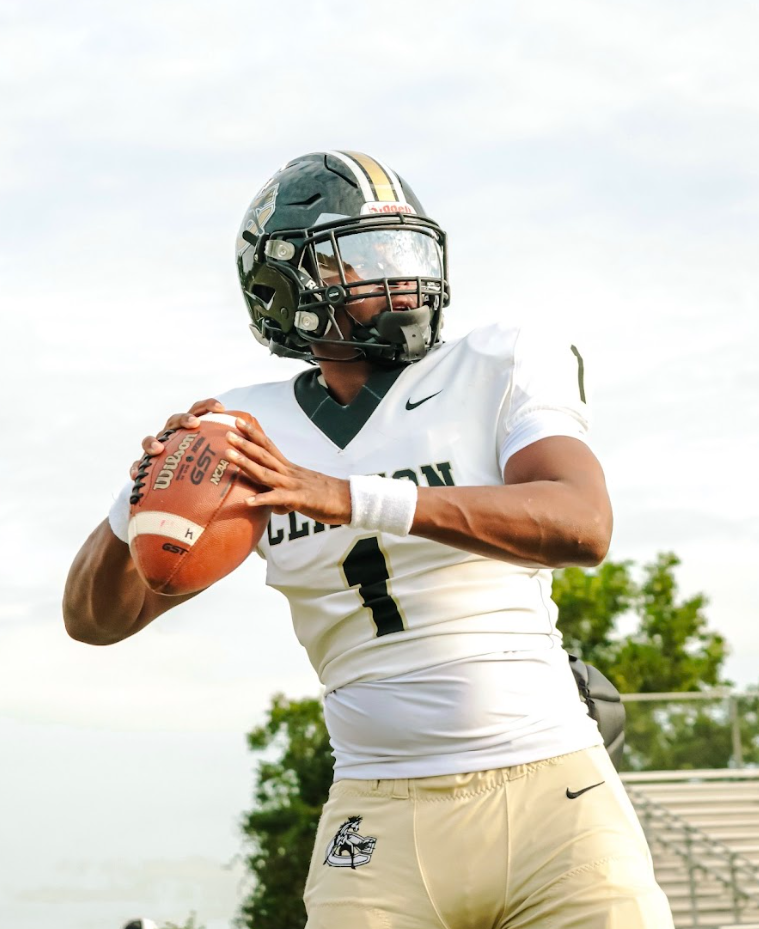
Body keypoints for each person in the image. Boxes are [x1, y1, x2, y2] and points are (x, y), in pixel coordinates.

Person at [64, 151, 673, 928]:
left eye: (406, 250)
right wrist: (143, 508)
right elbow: (92, 619)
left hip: (553, 789)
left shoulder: (495, 361)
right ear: (284, 287)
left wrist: (348, 496)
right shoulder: (240, 430)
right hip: (378, 818)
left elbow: (581, 524)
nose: (400, 277)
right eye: (364, 257)